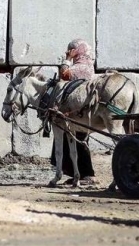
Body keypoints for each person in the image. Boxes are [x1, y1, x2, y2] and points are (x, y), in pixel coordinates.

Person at [50, 38, 97, 185]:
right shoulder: (87, 65)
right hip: (78, 108)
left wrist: (67, 59)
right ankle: (75, 173)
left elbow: (63, 75)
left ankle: (87, 174)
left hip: (78, 110)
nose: (68, 52)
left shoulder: (81, 67)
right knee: (72, 141)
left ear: (77, 51)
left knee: (79, 141)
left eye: (71, 50)